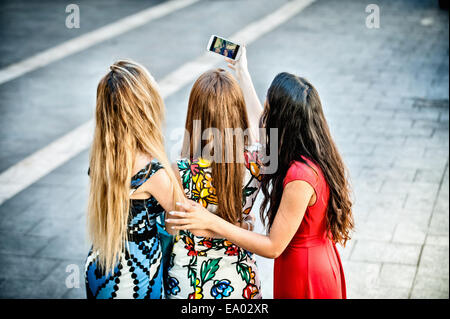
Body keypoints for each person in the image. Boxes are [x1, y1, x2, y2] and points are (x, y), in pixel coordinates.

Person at [167, 48, 354, 299]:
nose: (263, 118)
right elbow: (260, 136)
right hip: (258, 274)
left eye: (268, 113)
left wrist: (211, 222)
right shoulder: (269, 160)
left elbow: (273, 246)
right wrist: (242, 73)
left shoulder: (300, 175)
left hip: (302, 271)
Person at [84, 60, 185, 299]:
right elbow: (182, 218)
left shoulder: (103, 158)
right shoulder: (151, 170)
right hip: (136, 276)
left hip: (100, 264)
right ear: (145, 108)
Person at [165, 66, 264, 299]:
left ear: (194, 115)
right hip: (241, 280)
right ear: (237, 113)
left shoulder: (179, 171)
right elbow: (263, 129)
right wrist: (245, 226)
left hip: (189, 282)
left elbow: (172, 228)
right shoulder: (258, 163)